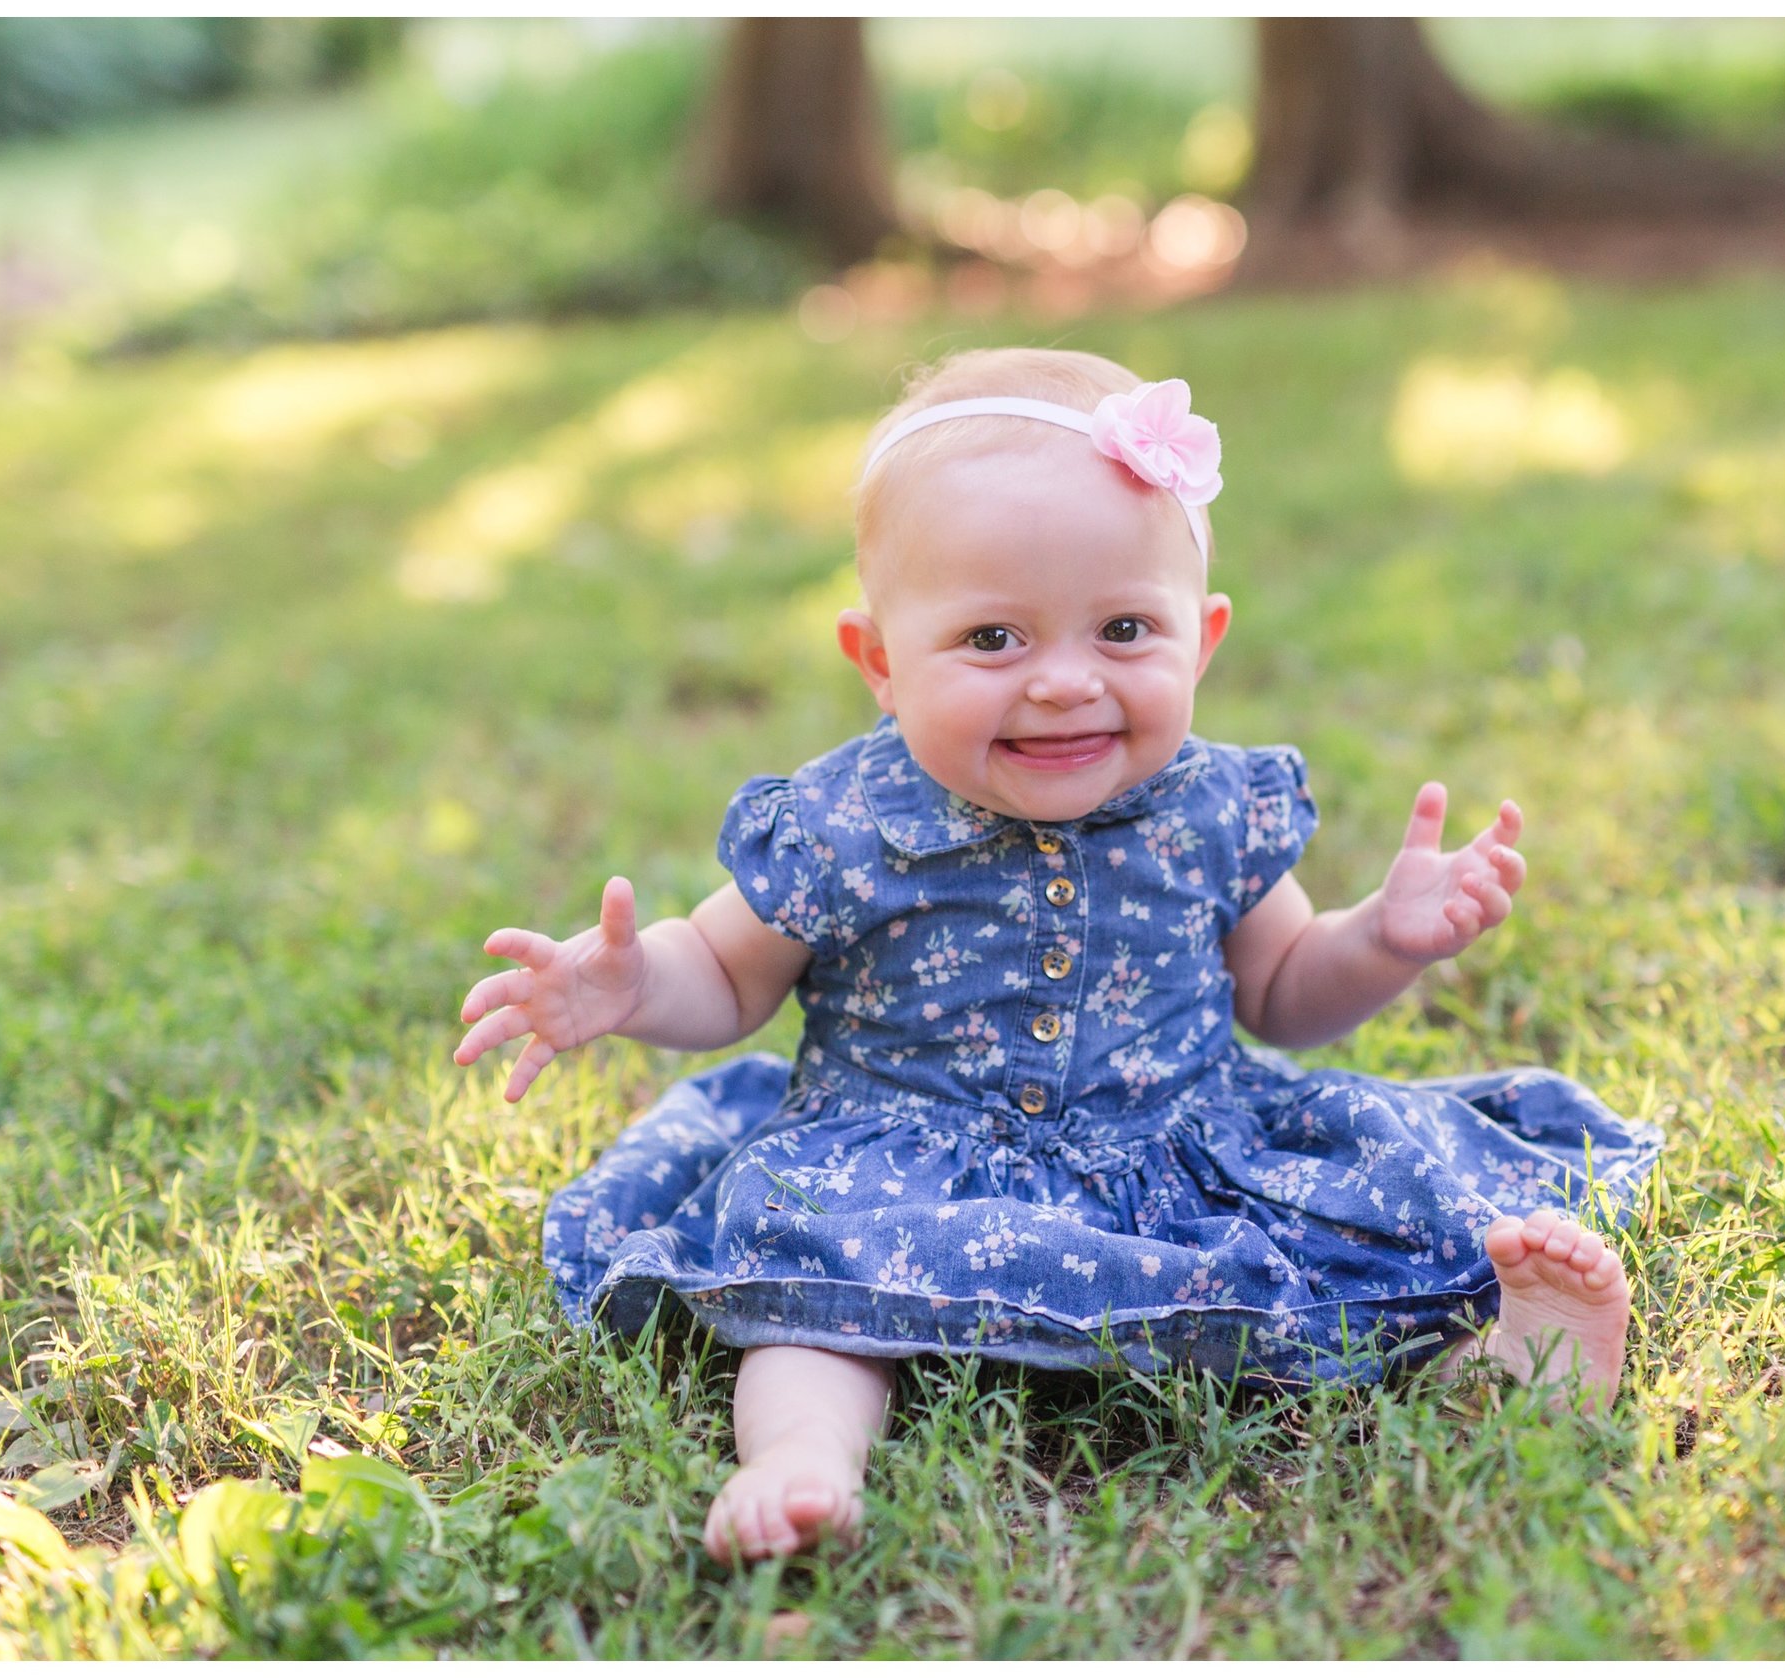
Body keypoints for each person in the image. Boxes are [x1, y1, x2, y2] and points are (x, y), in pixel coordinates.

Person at [455, 348, 1664, 1565]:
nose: (1065, 682)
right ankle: (805, 1456)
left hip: (1175, 1150)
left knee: (1326, 1254)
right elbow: (723, 976)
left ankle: (1509, 1363)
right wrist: (627, 985)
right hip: (895, 1155)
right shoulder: (847, 823)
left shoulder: (1208, 808)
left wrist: (1382, 939)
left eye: (1125, 628)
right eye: (992, 638)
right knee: (811, 1288)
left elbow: (1288, 994)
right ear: (878, 661)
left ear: (1202, 641)